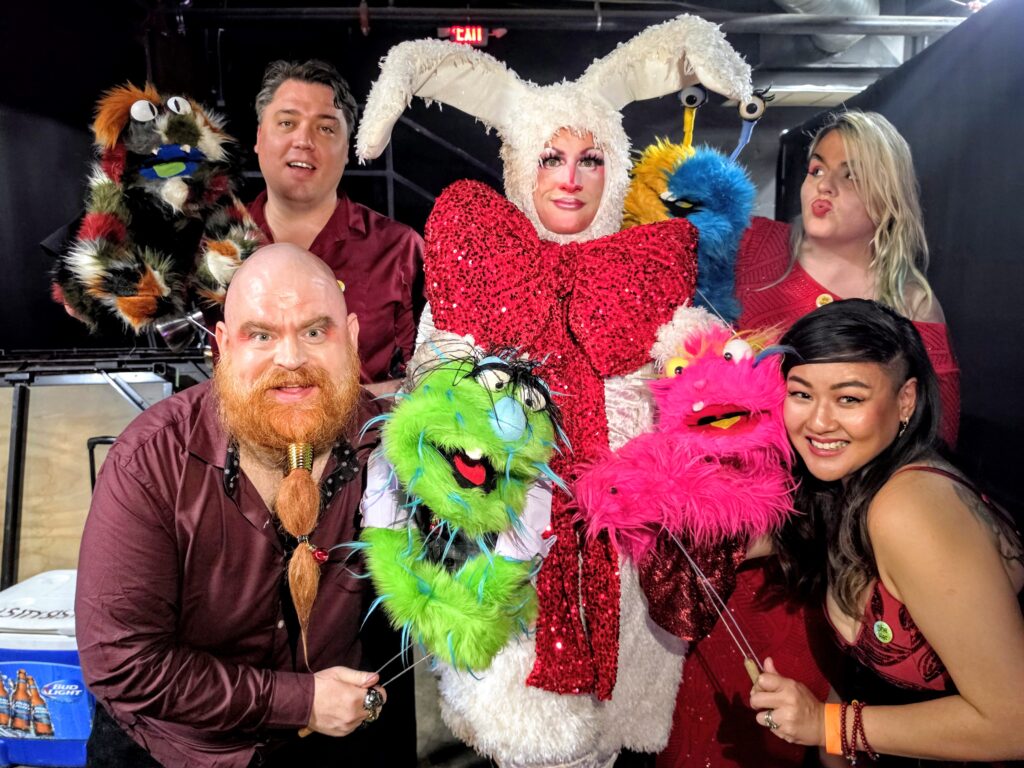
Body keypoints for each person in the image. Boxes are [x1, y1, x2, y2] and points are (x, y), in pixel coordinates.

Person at [356, 16, 754, 766]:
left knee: (603, 743)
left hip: (624, 552)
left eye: (589, 158)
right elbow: (433, 393)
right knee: (521, 733)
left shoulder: (652, 274)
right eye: (550, 157)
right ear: (519, 167)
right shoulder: (476, 272)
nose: (570, 178)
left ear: (615, 168)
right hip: (511, 542)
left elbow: (703, 383)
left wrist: (716, 383)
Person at [76, 244, 416, 768]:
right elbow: (122, 663)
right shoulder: (149, 463)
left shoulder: (393, 444)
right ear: (223, 346)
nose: (291, 359)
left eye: (315, 332)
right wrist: (301, 701)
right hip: (178, 752)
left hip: (336, 743)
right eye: (261, 335)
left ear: (350, 339)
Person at [747, 298, 1024, 765]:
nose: (818, 422)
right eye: (801, 394)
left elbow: (1015, 722)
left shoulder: (909, 509)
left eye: (849, 398)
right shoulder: (844, 486)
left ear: (906, 400)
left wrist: (824, 725)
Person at [735, 110, 959, 448]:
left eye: (851, 175)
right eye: (817, 170)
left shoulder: (913, 305)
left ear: (888, 197)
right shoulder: (750, 242)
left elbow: (936, 440)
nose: (824, 185)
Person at [251, 59, 423, 390]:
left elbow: (437, 372)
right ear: (259, 136)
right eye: (287, 123)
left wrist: (351, 407)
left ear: (347, 148)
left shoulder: (399, 249)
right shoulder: (213, 246)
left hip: (368, 425)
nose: (304, 140)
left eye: (326, 128)